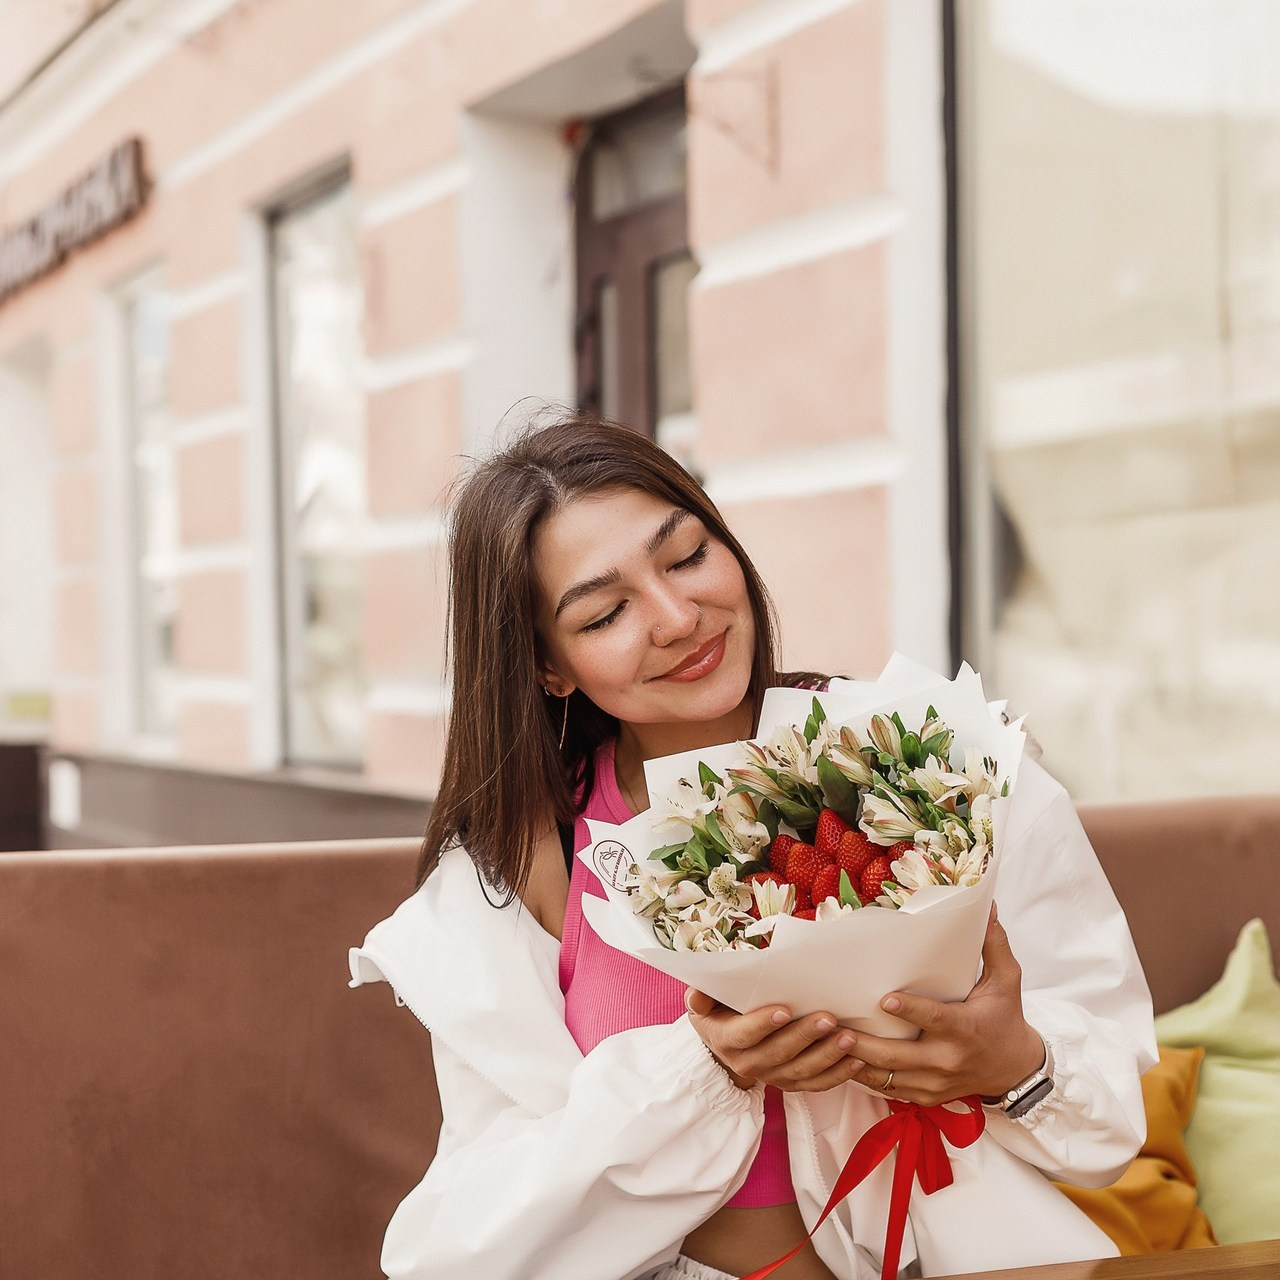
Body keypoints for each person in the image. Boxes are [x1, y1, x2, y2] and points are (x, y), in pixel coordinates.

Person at [349, 413, 1157, 1280]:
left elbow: (1107, 1127)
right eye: (606, 611)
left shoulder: (947, 763)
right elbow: (463, 1246)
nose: (676, 616)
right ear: (550, 667)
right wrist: (699, 1073)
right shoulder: (525, 861)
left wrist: (1015, 1064)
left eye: (688, 555)